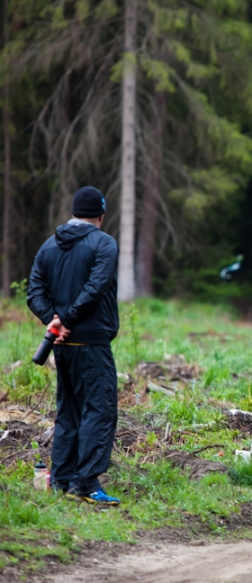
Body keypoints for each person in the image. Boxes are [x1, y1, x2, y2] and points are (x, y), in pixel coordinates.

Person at [26, 186, 120, 506]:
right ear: (101, 215)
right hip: (92, 343)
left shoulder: (48, 246)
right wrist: (65, 319)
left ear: (73, 212)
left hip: (61, 346)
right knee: (99, 410)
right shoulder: (104, 243)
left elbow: (34, 292)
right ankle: (85, 483)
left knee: (68, 414)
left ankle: (61, 481)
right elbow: (96, 288)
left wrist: (53, 321)